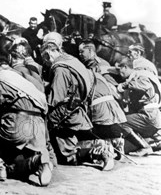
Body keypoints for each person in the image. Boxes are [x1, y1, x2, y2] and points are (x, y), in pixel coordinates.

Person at [41, 32, 114, 170]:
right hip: (77, 106)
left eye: (45, 58)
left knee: (44, 122)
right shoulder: (70, 59)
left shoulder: (60, 69)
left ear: (49, 53)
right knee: (66, 147)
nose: (46, 62)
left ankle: (99, 149)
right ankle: (97, 147)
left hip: (65, 110)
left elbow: (56, 98)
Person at [0, 56, 53, 186]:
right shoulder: (24, 77)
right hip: (39, 127)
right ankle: (38, 161)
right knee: (17, 163)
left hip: (19, 124)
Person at [117, 58, 161, 157]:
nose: (119, 73)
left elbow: (145, 85)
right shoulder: (139, 75)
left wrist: (123, 85)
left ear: (125, 67)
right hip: (151, 115)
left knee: (120, 122)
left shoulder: (140, 76)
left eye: (119, 70)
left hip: (149, 116)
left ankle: (145, 147)